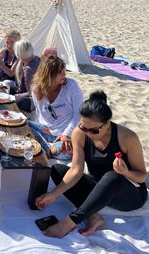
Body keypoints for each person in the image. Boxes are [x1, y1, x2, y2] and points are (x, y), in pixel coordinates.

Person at [36, 91, 148, 238]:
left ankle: (70, 222)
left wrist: (125, 172)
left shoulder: (127, 137)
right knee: (57, 170)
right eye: (83, 127)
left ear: (107, 124)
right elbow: (76, 169)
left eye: (93, 130)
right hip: (98, 187)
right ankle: (93, 216)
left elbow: (141, 178)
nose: (88, 133)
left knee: (112, 176)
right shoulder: (79, 133)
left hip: (128, 195)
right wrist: (53, 194)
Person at [28, 56, 84, 160]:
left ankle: (47, 149)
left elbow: (79, 114)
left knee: (68, 152)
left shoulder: (71, 86)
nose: (64, 74)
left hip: (67, 133)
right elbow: (40, 114)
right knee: (24, 125)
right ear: (48, 74)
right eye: (59, 71)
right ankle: (47, 148)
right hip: (46, 131)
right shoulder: (36, 89)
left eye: (64, 70)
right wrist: (45, 128)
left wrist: (66, 134)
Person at [13, 40, 40, 112]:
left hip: (36, 101)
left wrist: (16, 96)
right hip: (41, 95)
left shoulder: (28, 69)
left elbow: (31, 93)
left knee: (12, 101)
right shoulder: (37, 59)